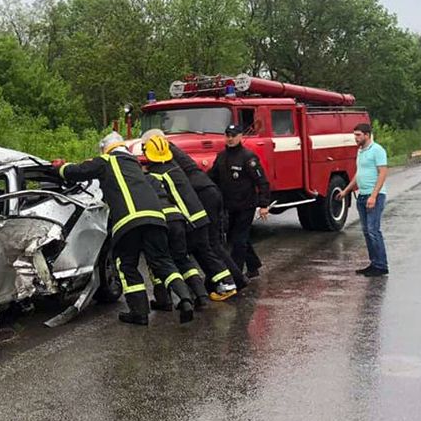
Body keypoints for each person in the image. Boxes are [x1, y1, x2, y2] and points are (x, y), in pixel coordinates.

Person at [53, 132, 195, 325]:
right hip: (157, 219)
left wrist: (61, 167)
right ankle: (185, 299)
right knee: (163, 262)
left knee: (127, 265)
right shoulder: (135, 164)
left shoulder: (106, 161)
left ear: (106, 148)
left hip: (129, 221)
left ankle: (139, 313)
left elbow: (76, 172)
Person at [141, 129, 250, 291]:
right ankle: (227, 278)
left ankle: (234, 279)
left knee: (209, 244)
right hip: (207, 191)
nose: (144, 150)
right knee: (211, 243)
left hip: (201, 195)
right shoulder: (169, 149)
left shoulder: (161, 151)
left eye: (144, 146)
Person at [208, 124, 271, 279]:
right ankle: (253, 265)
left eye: (233, 135)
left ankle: (236, 276)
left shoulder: (248, 157)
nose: (230, 139)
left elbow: (262, 181)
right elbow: (212, 177)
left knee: (238, 240)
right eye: (227, 135)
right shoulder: (221, 156)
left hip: (246, 206)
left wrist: (264, 205)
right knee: (237, 238)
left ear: (240, 136)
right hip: (229, 206)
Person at [337, 122, 389, 277]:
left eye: (358, 135)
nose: (356, 138)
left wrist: (374, 196)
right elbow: (358, 175)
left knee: (374, 230)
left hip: (375, 196)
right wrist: (346, 191)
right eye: (355, 135)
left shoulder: (377, 150)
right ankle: (374, 263)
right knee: (366, 232)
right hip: (362, 196)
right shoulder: (360, 151)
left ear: (367, 135)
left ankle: (381, 265)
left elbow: (382, 173)